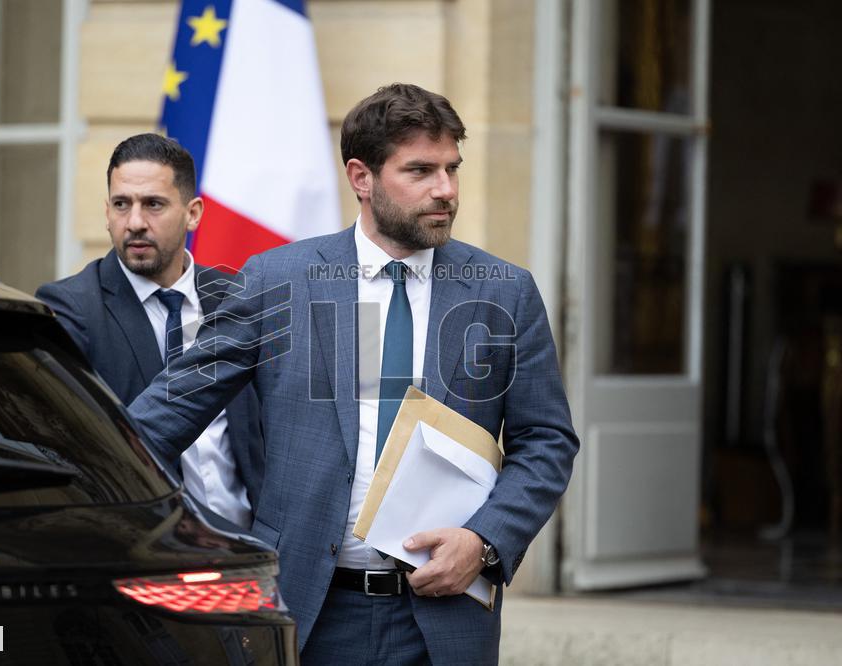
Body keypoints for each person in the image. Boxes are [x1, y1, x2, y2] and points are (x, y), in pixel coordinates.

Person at [128, 84, 579, 664]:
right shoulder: (277, 280)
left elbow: (546, 441)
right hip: (309, 612)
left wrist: (485, 540)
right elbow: (164, 414)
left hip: (443, 618)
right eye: (420, 170)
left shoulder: (504, 292)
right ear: (361, 177)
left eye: (451, 169)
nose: (446, 190)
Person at [36, 133, 262, 528]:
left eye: (153, 204)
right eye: (122, 205)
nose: (135, 223)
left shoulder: (238, 299)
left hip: (253, 553)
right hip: (149, 556)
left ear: (193, 213)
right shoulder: (70, 308)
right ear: (107, 212)